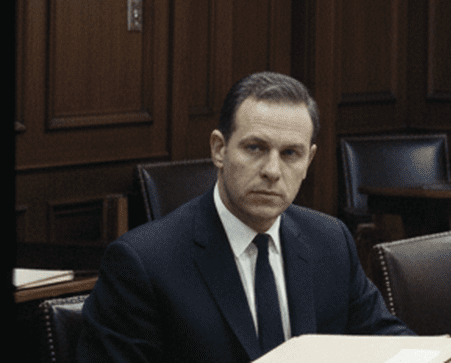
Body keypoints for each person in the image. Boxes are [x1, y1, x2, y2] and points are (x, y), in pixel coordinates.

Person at [78, 72, 411, 363]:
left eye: (290, 154)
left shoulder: (330, 240)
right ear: (219, 149)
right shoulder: (143, 263)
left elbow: (383, 337)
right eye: (255, 148)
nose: (271, 171)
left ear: (309, 161)